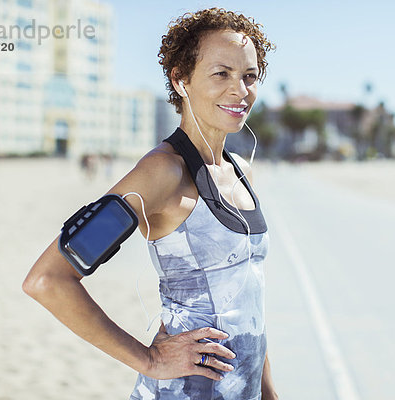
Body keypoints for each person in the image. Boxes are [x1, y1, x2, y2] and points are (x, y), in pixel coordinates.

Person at [23, 8, 278, 400]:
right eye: (221, 74)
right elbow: (48, 280)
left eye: (249, 76)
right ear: (181, 80)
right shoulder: (163, 173)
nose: (240, 90)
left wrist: (268, 392)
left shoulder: (241, 170)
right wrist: (149, 360)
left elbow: (248, 303)